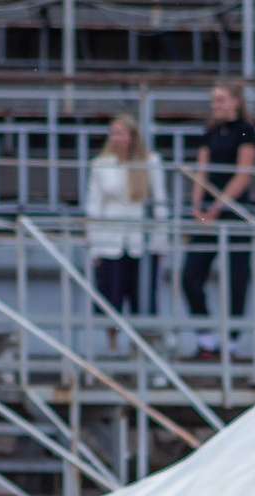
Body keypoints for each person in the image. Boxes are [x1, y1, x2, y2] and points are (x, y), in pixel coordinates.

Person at [182, 82, 255, 359]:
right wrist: (197, 206)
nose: (216, 105)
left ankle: (232, 343)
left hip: (235, 213)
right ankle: (207, 339)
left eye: (222, 100)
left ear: (236, 101)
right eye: (214, 100)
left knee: (237, 277)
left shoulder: (245, 131)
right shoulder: (210, 131)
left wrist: (217, 205)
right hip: (209, 214)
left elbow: (243, 174)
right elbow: (201, 171)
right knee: (191, 276)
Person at [84, 113, 153, 338]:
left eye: (120, 133)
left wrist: (159, 245)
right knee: (109, 304)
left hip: (139, 242)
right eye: (112, 133)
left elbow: (159, 205)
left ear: (132, 137)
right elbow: (93, 206)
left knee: (141, 303)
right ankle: (112, 353)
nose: (115, 138)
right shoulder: (100, 165)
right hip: (109, 242)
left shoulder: (150, 163)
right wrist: (93, 246)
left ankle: (139, 354)